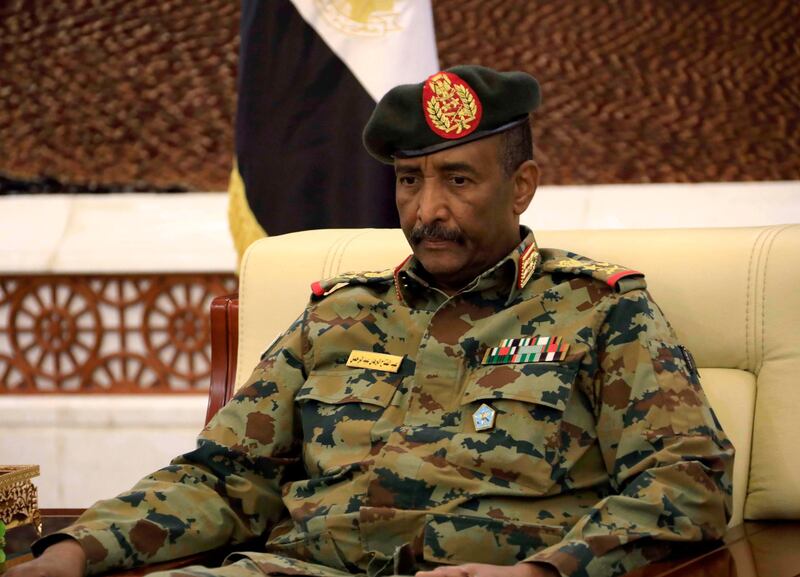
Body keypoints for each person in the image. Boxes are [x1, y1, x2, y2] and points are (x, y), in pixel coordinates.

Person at [11, 65, 733, 577]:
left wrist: (546, 571)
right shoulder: (338, 316)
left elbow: (685, 484)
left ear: (522, 186)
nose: (426, 211)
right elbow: (227, 478)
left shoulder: (600, 311)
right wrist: (76, 548)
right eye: (409, 181)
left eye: (457, 179)